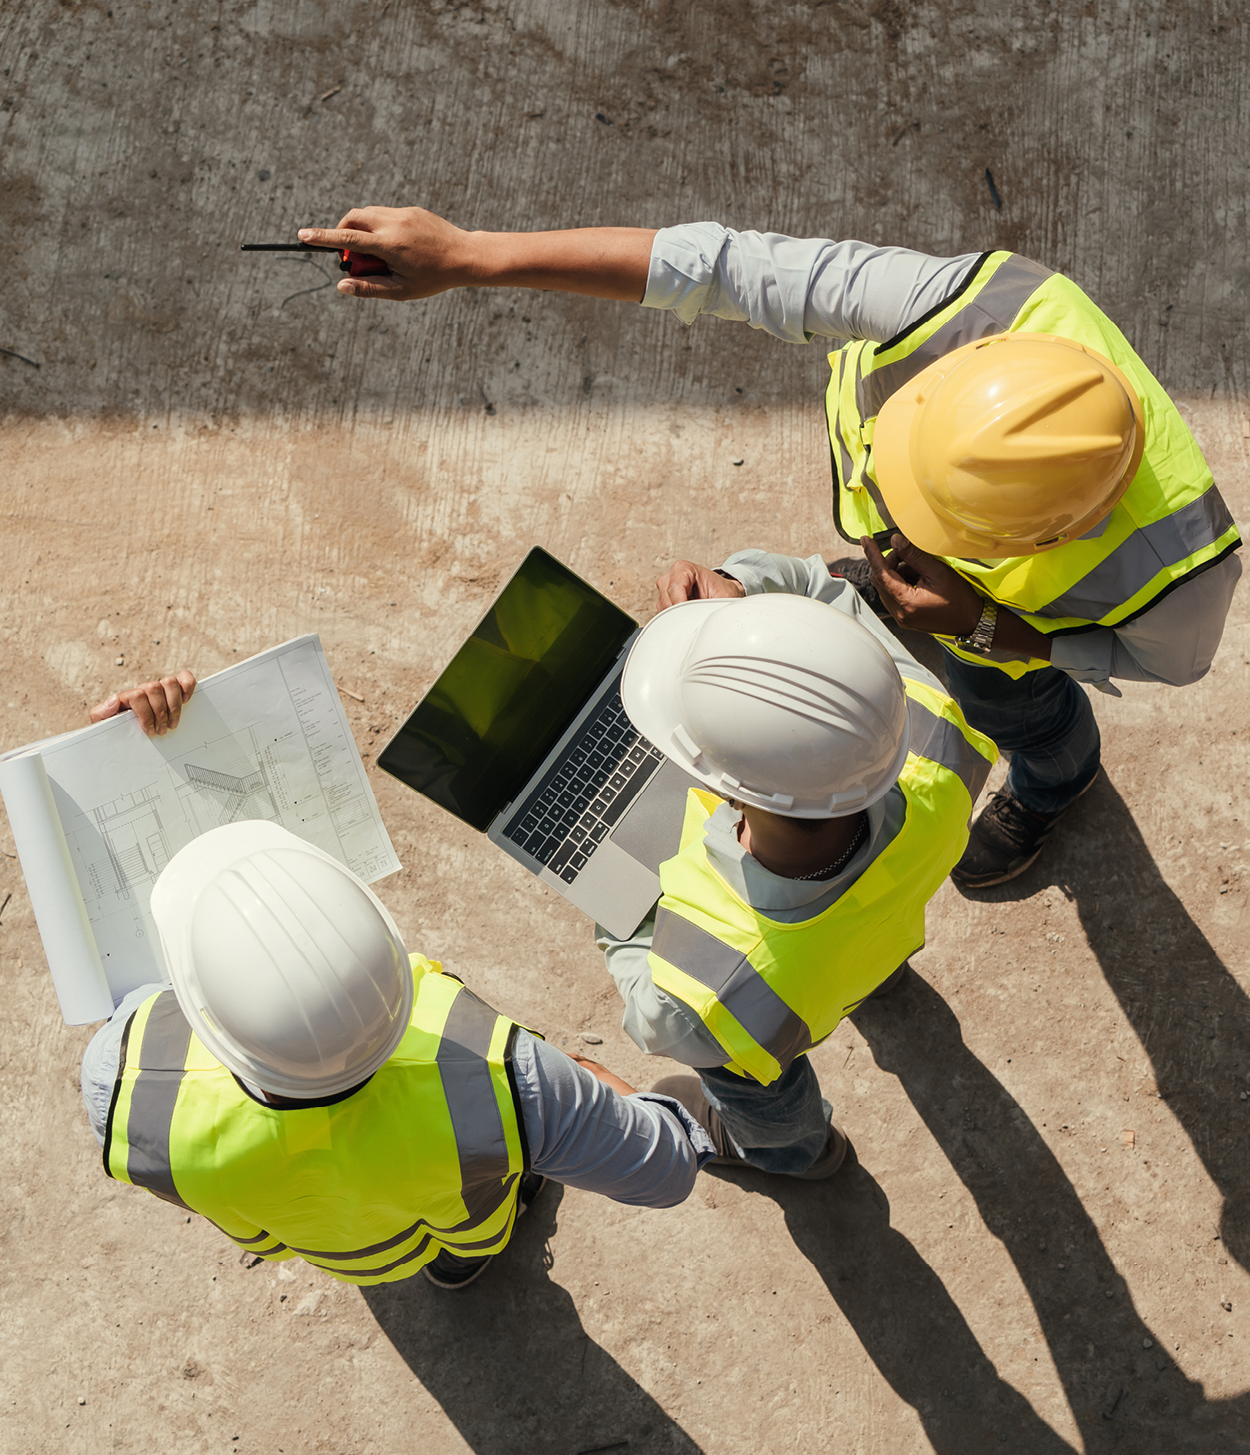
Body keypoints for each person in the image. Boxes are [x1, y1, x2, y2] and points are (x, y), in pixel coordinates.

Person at [295, 209, 1241, 886]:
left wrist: (996, 632)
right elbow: (722, 267)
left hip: (999, 637)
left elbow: (1167, 667)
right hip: (961, 601)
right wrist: (472, 255)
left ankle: (1057, 780)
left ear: (1046, 534)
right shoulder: (966, 306)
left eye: (926, 523)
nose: (888, 526)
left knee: (1023, 714)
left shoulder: (1181, 582)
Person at [80, 675, 713, 1291]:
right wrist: (574, 1083)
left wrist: (119, 763)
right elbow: (666, 1167)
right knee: (468, 1230)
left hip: (335, 1246)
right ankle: (462, 1262)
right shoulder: (509, 1079)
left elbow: (133, 982)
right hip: (464, 1218)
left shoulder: (121, 1082)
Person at [598, 557, 996, 1177]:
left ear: (719, 790)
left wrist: (611, 899)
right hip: (866, 937)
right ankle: (877, 983)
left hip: (771, 1009)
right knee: (859, 949)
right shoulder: (934, 732)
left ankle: (795, 1153)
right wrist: (739, 591)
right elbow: (823, 597)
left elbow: (654, 1017)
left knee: (753, 1085)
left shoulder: (703, 996)